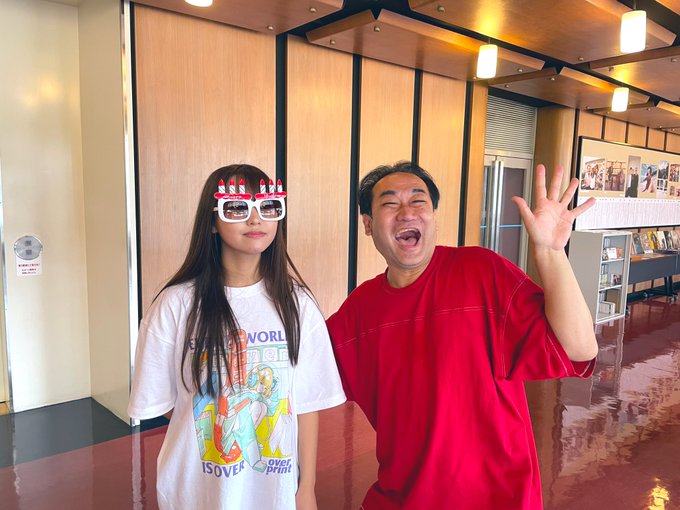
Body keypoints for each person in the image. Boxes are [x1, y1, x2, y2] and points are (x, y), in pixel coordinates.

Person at [326, 161, 598, 509]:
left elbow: (578, 349)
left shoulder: (482, 272)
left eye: (418, 201)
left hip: (498, 500)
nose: (407, 212)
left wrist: (550, 252)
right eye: (390, 203)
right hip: (402, 499)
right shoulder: (359, 310)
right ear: (368, 224)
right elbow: (299, 374)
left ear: (433, 217)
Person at [128, 164, 346, 510]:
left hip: (274, 492)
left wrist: (307, 487)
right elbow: (166, 405)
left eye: (268, 206)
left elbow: (304, 406)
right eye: (237, 207)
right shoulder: (175, 305)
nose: (255, 218)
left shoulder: (298, 305)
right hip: (197, 490)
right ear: (212, 222)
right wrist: (217, 411)